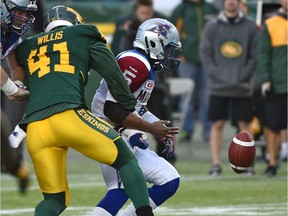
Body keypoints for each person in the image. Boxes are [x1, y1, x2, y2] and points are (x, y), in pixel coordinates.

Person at [12, 5, 179, 215]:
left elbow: (17, 68)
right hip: (69, 116)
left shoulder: (28, 45)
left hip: (36, 127)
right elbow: (111, 75)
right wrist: (131, 110)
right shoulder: (83, 34)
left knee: (54, 201)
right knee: (127, 160)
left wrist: (14, 88)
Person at [91, 18, 182, 216]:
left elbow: (137, 108)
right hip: (109, 133)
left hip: (120, 132)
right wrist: (149, 129)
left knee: (169, 180)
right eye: (167, 48)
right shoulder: (134, 62)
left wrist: (158, 127)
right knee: (119, 190)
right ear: (153, 42)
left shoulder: (143, 63)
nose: (169, 55)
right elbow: (112, 109)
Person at [111, 0, 176, 162]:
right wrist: (147, 128)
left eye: (148, 14)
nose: (145, 17)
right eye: (142, 13)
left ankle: (163, 153)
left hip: (153, 86)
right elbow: (112, 107)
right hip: (132, 90)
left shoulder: (156, 31)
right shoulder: (134, 56)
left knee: (157, 115)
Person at [200, 0, 258, 176]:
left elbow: (254, 56)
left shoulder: (250, 26)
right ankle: (216, 164)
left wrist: (242, 76)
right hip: (219, 86)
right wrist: (219, 76)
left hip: (242, 86)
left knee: (245, 124)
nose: (231, 2)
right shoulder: (212, 26)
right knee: (217, 124)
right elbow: (206, 55)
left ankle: (248, 164)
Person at [1, 0, 37, 193]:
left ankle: (15, 169)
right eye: (19, 12)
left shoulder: (12, 34)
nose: (23, 17)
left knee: (2, 125)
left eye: (26, 13)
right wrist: (12, 90)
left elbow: (15, 66)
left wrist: (19, 84)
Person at [170, 0, 218, 142]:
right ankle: (186, 130)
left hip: (208, 60)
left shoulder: (211, 9)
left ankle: (209, 131)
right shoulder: (180, 10)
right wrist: (177, 55)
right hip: (187, 60)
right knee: (187, 97)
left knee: (207, 97)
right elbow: (171, 34)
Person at [257, 0, 287, 177]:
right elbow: (263, 54)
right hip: (278, 82)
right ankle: (272, 163)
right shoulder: (271, 23)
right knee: (272, 125)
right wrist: (266, 80)